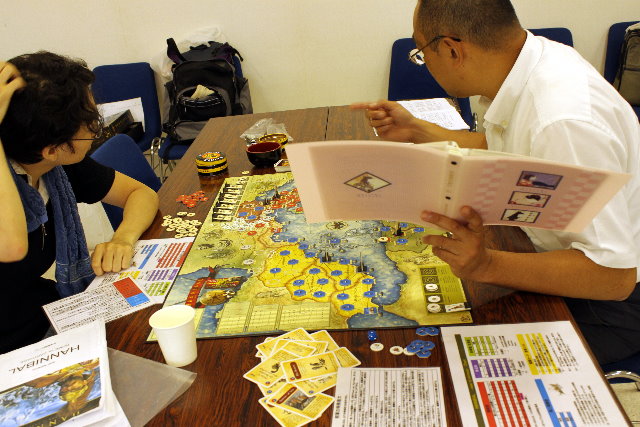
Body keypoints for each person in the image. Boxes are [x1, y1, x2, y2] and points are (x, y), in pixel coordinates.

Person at [353, 0, 640, 364]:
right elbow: (509, 148)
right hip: (548, 247)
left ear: (452, 49)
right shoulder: (529, 62)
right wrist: (418, 130)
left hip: (612, 303)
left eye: (422, 53)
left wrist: (486, 265)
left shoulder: (561, 121)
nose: (425, 64)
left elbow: (614, 277)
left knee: (438, 356)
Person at [0, 52, 159, 353]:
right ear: (52, 149)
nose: (95, 126)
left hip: (46, 313)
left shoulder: (57, 167)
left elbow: (141, 194)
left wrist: (123, 239)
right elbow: (12, 247)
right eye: (90, 123)